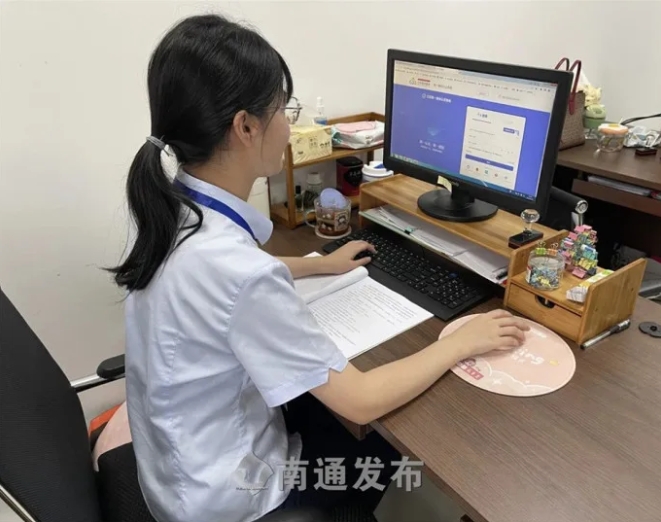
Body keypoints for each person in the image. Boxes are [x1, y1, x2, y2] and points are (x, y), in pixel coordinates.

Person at [108, 13, 530, 522]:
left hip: (177, 475)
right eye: (283, 109)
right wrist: (460, 343)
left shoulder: (173, 208)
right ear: (246, 127)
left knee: (320, 402)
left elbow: (227, 282)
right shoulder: (237, 273)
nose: (288, 126)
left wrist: (318, 266)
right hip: (232, 498)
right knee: (387, 441)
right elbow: (360, 400)